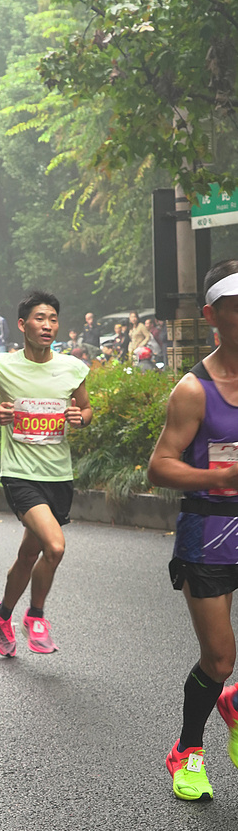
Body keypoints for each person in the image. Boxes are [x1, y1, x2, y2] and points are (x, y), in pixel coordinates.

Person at [148, 260, 238, 803]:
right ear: (212, 316)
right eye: (236, 308)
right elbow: (160, 466)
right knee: (220, 658)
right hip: (210, 528)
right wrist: (221, 476)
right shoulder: (194, 390)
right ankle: (188, 750)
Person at [0, 290, 91, 655]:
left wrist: (81, 418)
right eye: (39, 318)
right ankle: (35, 616)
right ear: (22, 324)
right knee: (55, 546)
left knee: (28, 556)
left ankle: (2, 614)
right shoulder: (1, 365)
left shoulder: (72, 367)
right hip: (19, 474)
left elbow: (86, 408)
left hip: (58, 475)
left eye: (52, 318)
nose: (47, 325)